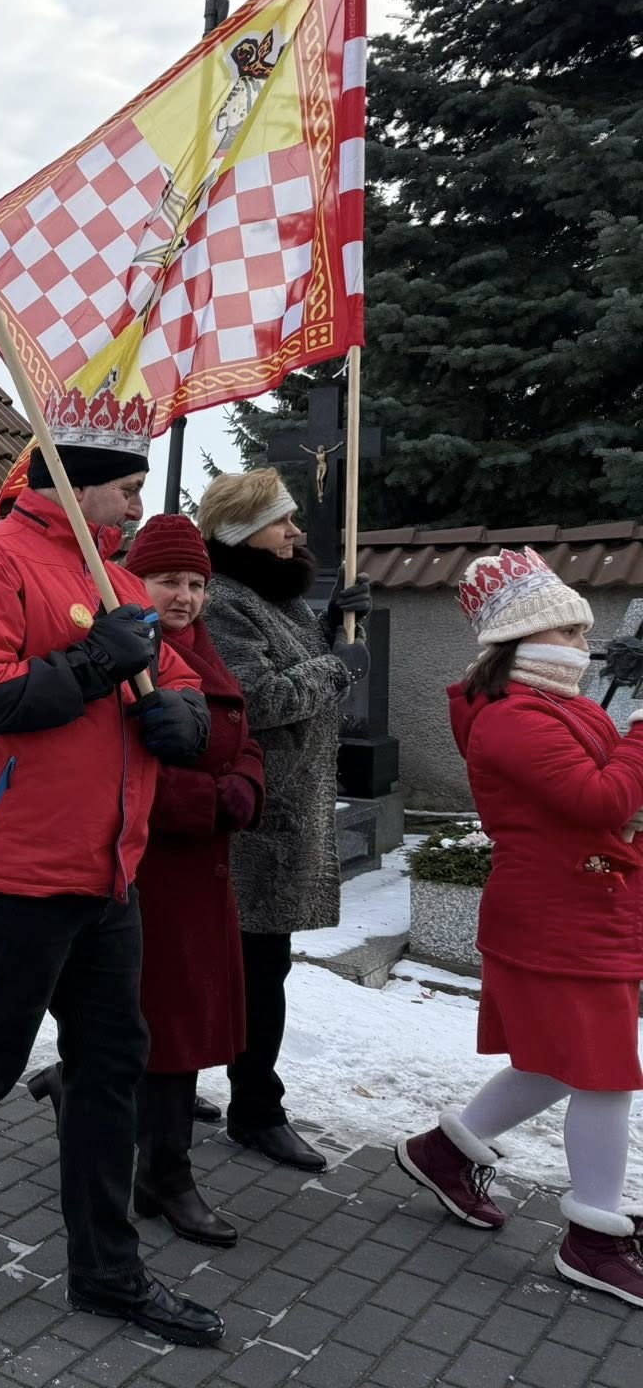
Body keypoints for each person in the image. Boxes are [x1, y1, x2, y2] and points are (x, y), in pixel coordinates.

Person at [0, 408, 221, 1349]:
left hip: (106, 868)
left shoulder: (114, 574)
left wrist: (184, 717)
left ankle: (106, 1270)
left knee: (112, 1065)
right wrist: (96, 661)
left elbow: (176, 671)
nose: (141, 503)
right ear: (77, 482)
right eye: (129, 485)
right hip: (3, 867)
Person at [396, 550, 643, 1306]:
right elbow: (601, 801)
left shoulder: (568, 708)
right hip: (556, 917)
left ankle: (445, 1152)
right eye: (572, 631)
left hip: (587, 906)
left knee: (561, 1060)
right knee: (603, 1070)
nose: (584, 645)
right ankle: (594, 1237)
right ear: (528, 638)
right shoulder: (510, 720)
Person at [198, 469, 370, 1172]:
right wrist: (338, 666)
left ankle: (196, 1087)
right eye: (282, 522)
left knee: (256, 971)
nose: (297, 533)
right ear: (242, 531)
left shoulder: (275, 595)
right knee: (250, 973)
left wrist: (329, 624)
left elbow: (290, 660)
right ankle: (254, 1108)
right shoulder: (223, 602)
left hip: (285, 814)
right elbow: (256, 699)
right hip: (252, 827)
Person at [118, 515, 260, 1246]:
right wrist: (211, 801)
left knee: (179, 1024)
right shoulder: (127, 653)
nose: (185, 596)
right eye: (169, 580)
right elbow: (123, 768)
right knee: (168, 1029)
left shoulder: (206, 651)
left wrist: (247, 785)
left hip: (206, 871)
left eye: (197, 583)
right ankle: (165, 1176)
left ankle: (111, 1123)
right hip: (153, 874)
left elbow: (246, 737)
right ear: (135, 581)